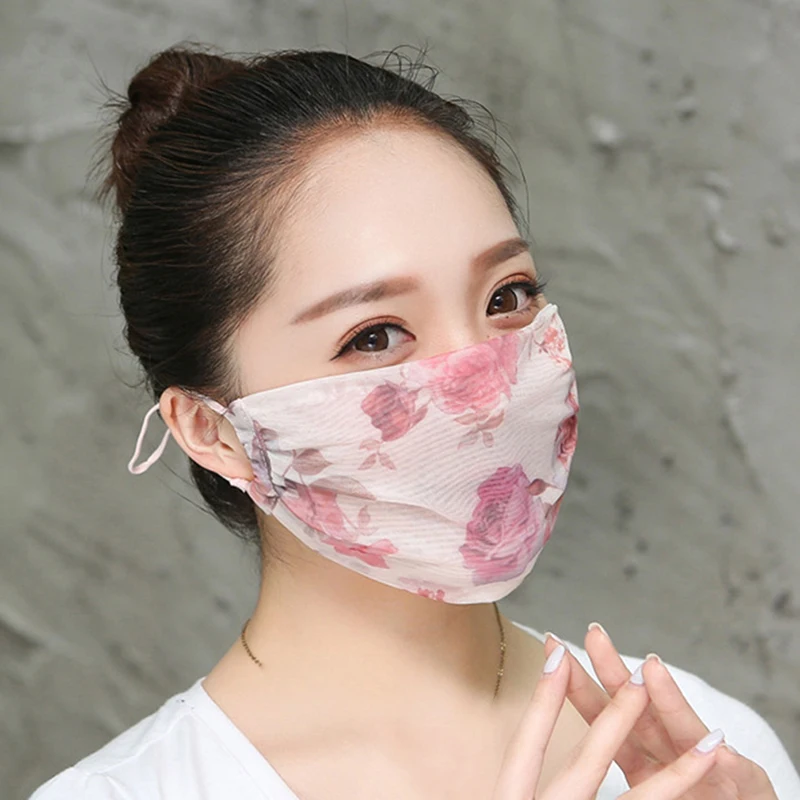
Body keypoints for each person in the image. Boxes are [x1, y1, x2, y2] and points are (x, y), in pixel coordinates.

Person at [30, 44, 799, 799]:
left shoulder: (707, 756)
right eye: (374, 336)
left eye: (507, 297)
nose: (487, 388)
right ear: (210, 429)